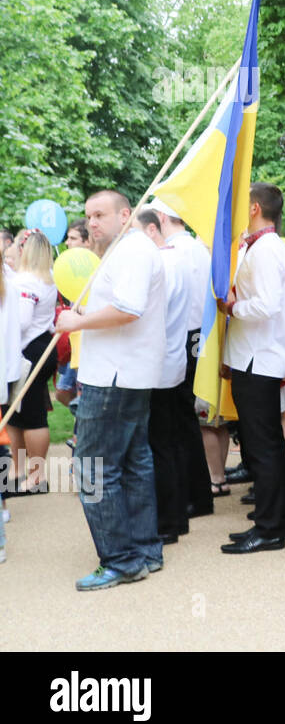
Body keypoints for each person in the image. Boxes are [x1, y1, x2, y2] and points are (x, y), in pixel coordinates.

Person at [55, 190, 166, 590]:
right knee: (134, 463)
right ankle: (143, 550)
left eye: (100, 214)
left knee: (92, 469)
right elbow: (120, 307)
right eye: (89, 216)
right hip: (125, 371)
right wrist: (83, 314)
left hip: (116, 376)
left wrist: (75, 324)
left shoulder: (133, 250)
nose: (92, 223)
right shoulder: (125, 250)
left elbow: (128, 309)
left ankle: (120, 560)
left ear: (125, 214)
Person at [218, 182, 285, 555]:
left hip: (261, 357)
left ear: (253, 208)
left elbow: (265, 306)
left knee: (262, 445)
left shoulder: (267, 250)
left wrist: (233, 307)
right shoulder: (260, 247)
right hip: (253, 355)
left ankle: (270, 528)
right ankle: (272, 519)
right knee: (261, 444)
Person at [134, 209, 193, 543]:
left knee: (159, 445)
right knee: (168, 442)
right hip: (170, 359)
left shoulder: (162, 263)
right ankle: (176, 515)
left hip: (159, 363)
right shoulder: (174, 259)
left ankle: (168, 520)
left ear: (153, 230)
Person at [8, 230, 57, 492]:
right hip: (40, 346)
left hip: (30, 350)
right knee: (16, 412)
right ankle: (18, 469)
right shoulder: (47, 279)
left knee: (31, 413)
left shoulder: (26, 281)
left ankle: (35, 476)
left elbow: (23, 321)